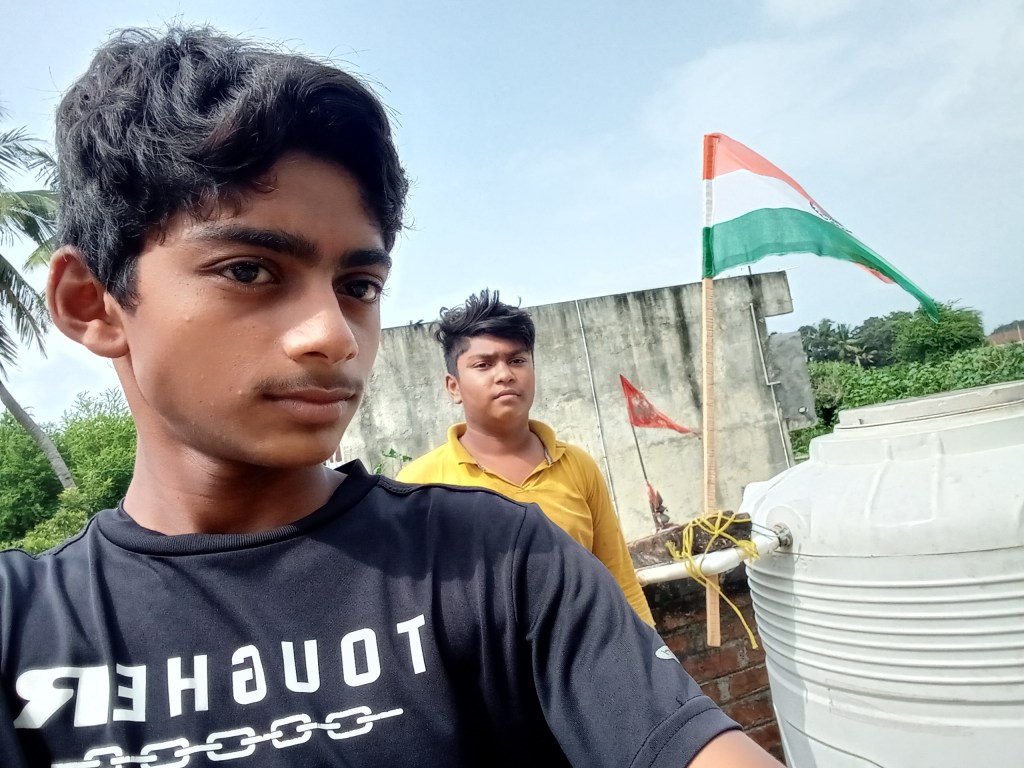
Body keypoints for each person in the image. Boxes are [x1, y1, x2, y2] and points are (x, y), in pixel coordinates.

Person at [0, 26, 783, 767]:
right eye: (248, 270)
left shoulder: (499, 561)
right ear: (92, 304)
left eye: (359, 286)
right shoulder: (23, 628)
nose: (332, 334)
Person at [398, 291, 656, 626]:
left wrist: (652, 652)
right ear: (453, 386)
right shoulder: (418, 486)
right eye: (483, 364)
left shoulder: (577, 465)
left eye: (517, 360)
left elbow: (618, 578)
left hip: (582, 654)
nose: (504, 374)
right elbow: (410, 606)